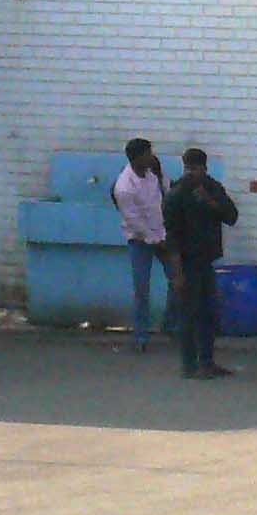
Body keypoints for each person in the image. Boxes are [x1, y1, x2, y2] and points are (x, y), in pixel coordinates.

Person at [163, 148, 241, 380]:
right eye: (189, 169)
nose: (192, 174)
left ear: (205, 169)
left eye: (196, 169)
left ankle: (207, 361)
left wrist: (211, 202)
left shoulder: (213, 188)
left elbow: (231, 216)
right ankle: (189, 365)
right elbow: (172, 237)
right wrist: (176, 273)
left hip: (206, 260)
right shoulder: (176, 194)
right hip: (186, 262)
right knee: (188, 314)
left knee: (208, 313)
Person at [110, 139, 169, 354]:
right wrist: (156, 240)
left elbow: (164, 197)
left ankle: (170, 325)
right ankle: (141, 336)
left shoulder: (152, 173)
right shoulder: (124, 186)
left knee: (178, 278)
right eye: (147, 154)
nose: (151, 157)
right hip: (140, 240)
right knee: (142, 289)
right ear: (136, 158)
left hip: (162, 234)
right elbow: (135, 221)